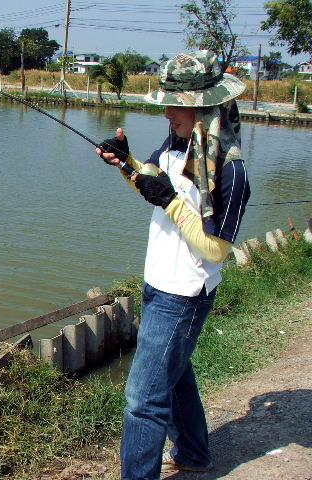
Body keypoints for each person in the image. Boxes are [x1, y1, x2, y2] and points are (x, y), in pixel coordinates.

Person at [96, 50, 251, 480]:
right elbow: (154, 185)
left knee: (143, 400)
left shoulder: (230, 170)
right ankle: (194, 453)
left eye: (175, 103)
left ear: (203, 105)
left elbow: (216, 250)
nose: (166, 112)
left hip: (183, 294)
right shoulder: (180, 142)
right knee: (175, 374)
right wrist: (125, 162)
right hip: (158, 281)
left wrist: (168, 198)